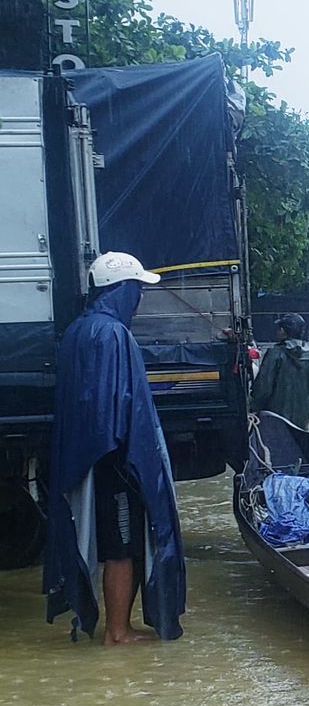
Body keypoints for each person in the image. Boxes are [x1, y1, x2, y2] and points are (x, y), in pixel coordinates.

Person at [43, 252, 184, 644]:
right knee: (122, 546)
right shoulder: (111, 334)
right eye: (136, 289)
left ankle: (119, 627)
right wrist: (132, 461)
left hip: (97, 458)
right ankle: (118, 634)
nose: (139, 299)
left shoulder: (79, 330)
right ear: (120, 291)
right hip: (116, 461)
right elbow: (114, 408)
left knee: (123, 543)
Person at [250, 312, 309, 429]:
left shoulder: (275, 354)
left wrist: (253, 407)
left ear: (283, 331)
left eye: (279, 329)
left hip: (274, 417)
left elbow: (263, 388)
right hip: (302, 419)